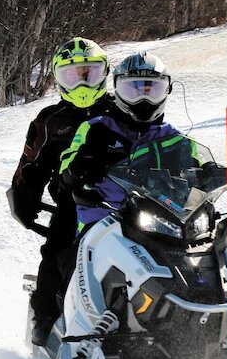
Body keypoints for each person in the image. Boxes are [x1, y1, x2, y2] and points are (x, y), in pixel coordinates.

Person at [8, 37, 113, 347]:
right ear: (58, 78)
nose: (81, 83)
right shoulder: (49, 121)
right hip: (74, 203)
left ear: (103, 74)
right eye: (72, 75)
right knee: (56, 251)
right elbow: (30, 164)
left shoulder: (120, 112)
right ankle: (44, 318)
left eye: (89, 74)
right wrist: (24, 199)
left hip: (125, 201)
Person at [58, 51, 181, 234]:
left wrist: (210, 172)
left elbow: (196, 173)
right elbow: (65, 172)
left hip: (160, 227)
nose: (143, 100)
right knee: (60, 259)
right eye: (133, 90)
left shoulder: (173, 137)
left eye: (152, 91)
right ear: (117, 89)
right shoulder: (95, 128)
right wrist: (79, 166)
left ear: (166, 90)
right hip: (102, 224)